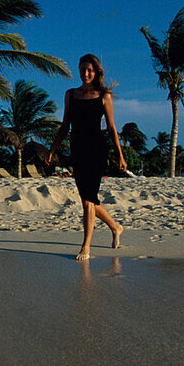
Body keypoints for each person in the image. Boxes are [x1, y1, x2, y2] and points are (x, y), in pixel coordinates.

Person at [47, 54, 127, 260]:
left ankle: (86, 247)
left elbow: (111, 128)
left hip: (97, 150)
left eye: (89, 70)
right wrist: (52, 149)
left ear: (96, 71)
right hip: (78, 150)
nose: (85, 73)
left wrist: (120, 154)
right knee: (88, 199)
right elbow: (65, 126)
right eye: (82, 69)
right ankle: (115, 227)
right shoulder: (71, 95)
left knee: (87, 202)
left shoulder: (104, 96)